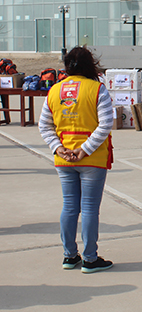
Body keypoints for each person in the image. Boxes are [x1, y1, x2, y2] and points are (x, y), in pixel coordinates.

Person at [38, 46, 114, 273]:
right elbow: (106, 123)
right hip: (91, 159)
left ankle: (70, 256)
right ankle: (90, 258)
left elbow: (44, 125)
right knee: (90, 208)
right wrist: (86, 149)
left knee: (70, 207)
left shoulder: (55, 90)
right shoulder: (96, 89)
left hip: (64, 159)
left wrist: (58, 148)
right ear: (90, 65)